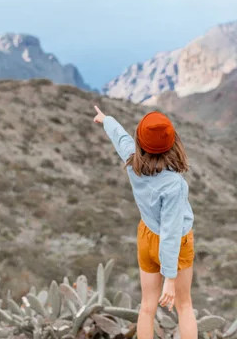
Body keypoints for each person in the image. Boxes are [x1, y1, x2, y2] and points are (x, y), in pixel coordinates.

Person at [93, 105, 196, 339]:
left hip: (146, 237)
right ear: (174, 143)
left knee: (147, 307)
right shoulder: (175, 186)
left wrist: (106, 119)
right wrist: (169, 278)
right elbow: (170, 232)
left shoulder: (133, 163)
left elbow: (122, 140)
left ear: (140, 143)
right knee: (184, 307)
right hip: (176, 245)